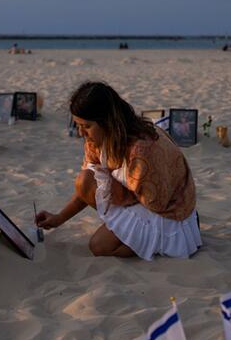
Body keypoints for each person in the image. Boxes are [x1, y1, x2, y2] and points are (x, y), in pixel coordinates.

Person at [35, 81, 202, 260]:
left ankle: (158, 241)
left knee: (99, 246)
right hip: (136, 200)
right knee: (84, 180)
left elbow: (157, 203)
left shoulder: (140, 149)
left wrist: (115, 191)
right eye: (78, 125)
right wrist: (58, 218)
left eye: (87, 126)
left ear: (107, 122)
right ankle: (128, 235)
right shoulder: (95, 141)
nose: (81, 132)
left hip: (167, 211)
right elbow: (86, 187)